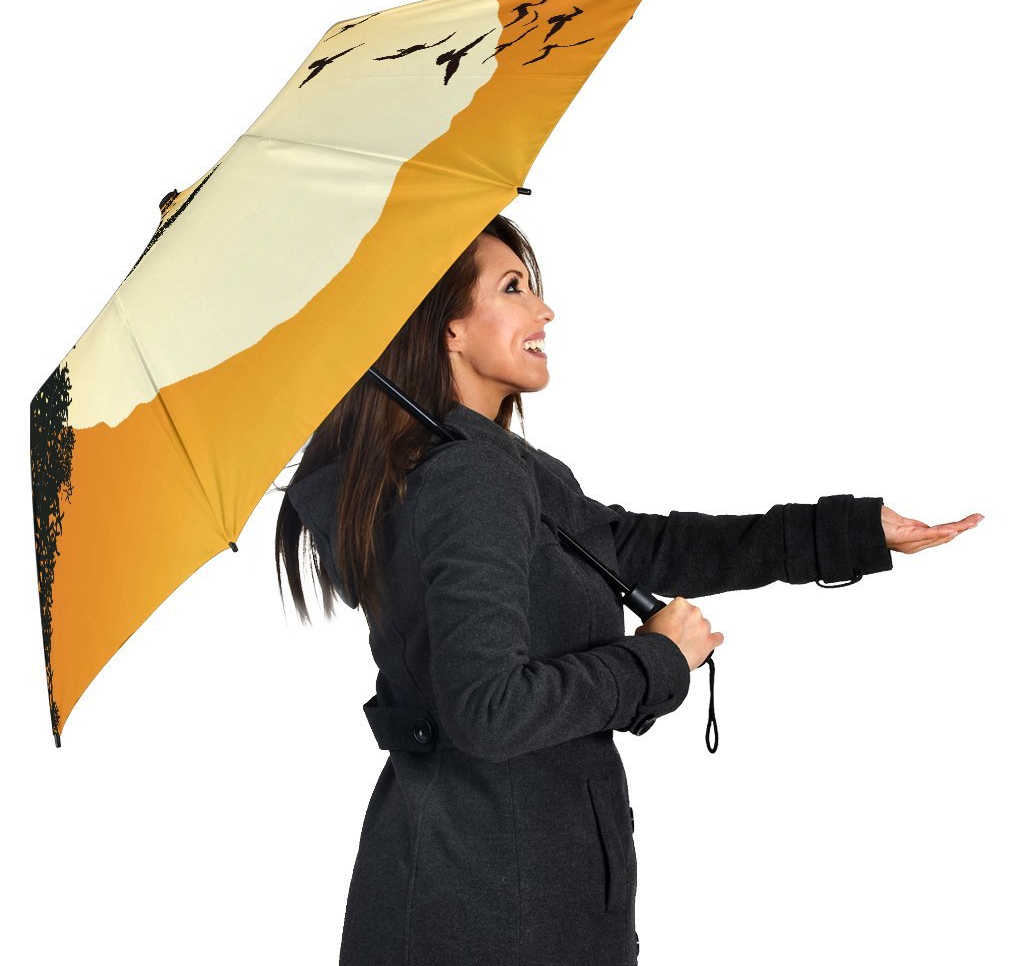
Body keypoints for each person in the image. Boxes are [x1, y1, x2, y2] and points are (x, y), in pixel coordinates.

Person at [277, 214, 982, 966]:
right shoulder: (468, 478)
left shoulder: (488, 467)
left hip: (486, 885)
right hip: (493, 909)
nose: (543, 310)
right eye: (513, 288)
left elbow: (640, 545)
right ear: (447, 329)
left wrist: (853, 532)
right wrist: (656, 662)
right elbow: (489, 710)